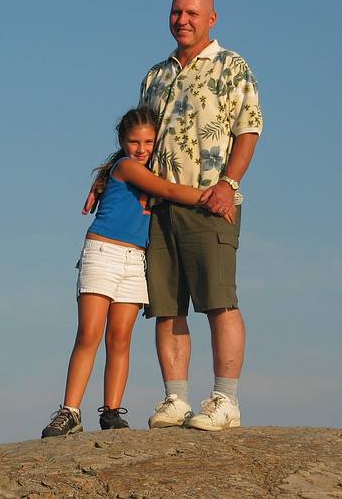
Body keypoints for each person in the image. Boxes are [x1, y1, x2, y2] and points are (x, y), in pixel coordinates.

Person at [87, 0, 263, 431]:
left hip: (211, 203)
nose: (182, 20)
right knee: (167, 307)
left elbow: (249, 129)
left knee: (220, 300)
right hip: (158, 208)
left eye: (192, 13)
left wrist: (229, 183)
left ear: (211, 19)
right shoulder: (154, 76)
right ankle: (176, 398)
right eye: (175, 12)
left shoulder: (232, 67)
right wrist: (105, 176)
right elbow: (137, 141)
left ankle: (226, 399)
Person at [42, 108, 229, 438]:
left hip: (134, 260)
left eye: (148, 142)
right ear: (121, 142)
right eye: (133, 141)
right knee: (90, 333)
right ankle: (70, 410)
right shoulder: (127, 167)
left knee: (120, 338)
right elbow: (169, 192)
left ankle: (111, 411)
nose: (141, 149)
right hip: (103, 253)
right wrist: (211, 198)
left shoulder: (149, 166)